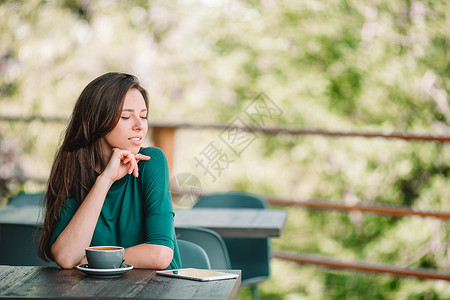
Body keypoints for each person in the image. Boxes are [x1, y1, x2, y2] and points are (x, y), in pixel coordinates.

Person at [38, 72, 181, 270]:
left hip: (157, 288)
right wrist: (105, 180)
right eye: (126, 116)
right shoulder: (73, 169)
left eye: (143, 116)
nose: (140, 126)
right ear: (97, 120)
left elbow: (160, 253)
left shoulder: (152, 162)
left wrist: (90, 261)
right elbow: (67, 257)